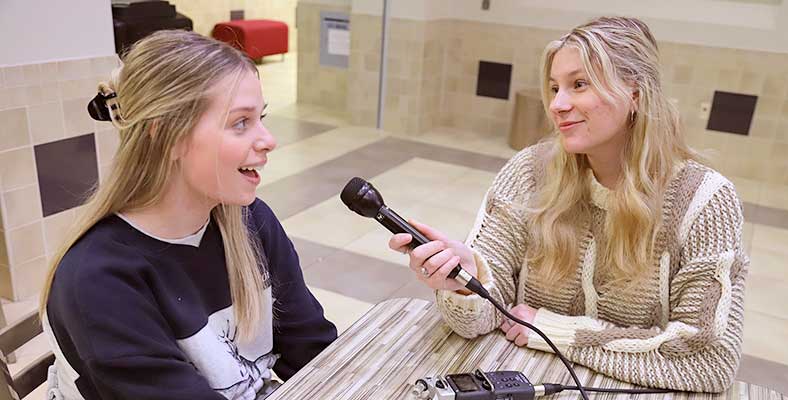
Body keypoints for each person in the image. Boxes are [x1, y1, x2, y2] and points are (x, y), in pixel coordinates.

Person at [389, 16, 747, 393]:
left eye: (579, 85)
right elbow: (483, 317)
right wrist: (464, 280)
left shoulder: (705, 201)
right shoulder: (528, 172)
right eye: (555, 88)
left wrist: (557, 331)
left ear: (635, 94)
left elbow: (708, 361)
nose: (558, 104)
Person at [40, 30, 337, 400]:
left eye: (260, 118)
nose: (269, 140)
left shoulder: (250, 222)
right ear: (168, 136)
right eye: (240, 123)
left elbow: (317, 354)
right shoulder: (98, 280)